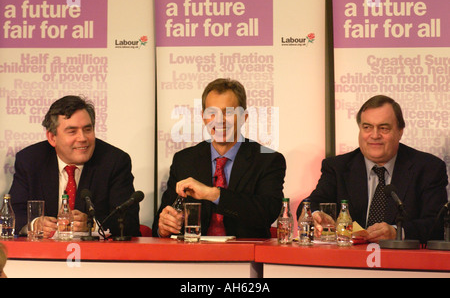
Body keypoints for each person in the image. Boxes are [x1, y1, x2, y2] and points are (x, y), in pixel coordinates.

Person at [297, 95, 448, 243]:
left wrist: (397, 232)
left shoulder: (428, 168)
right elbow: (310, 203)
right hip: (348, 262)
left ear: (400, 131)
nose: (375, 135)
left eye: (383, 128)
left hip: (403, 262)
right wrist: (316, 215)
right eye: (367, 127)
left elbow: (438, 224)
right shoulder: (338, 167)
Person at [153, 78, 286, 238]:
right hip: (193, 256)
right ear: (203, 118)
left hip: (244, 255)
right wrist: (164, 227)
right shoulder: (185, 159)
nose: (220, 120)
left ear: (244, 117)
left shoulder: (268, 159)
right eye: (212, 113)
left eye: (228, 112)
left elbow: (266, 213)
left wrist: (213, 194)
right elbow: (162, 219)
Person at [9, 95, 140, 238]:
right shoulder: (30, 160)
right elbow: (13, 213)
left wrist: (92, 225)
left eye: (88, 129)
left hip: (96, 256)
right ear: (52, 138)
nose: (83, 138)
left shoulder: (114, 162)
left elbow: (128, 223)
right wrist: (34, 224)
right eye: (72, 131)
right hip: (43, 255)